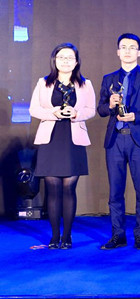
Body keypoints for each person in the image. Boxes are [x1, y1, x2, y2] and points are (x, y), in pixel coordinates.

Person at [96, 33, 140, 251]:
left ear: (139, 52)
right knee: (115, 191)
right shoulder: (109, 79)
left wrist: (137, 116)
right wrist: (110, 105)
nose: (127, 51)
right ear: (118, 52)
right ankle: (118, 235)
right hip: (115, 139)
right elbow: (100, 110)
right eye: (123, 47)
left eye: (132, 47)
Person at [29, 43, 96, 249]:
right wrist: (54, 113)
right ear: (54, 60)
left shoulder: (85, 84)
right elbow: (34, 109)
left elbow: (91, 109)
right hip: (50, 139)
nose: (65, 61)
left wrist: (76, 114)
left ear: (76, 62)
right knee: (53, 189)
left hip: (73, 139)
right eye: (61, 57)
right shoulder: (44, 83)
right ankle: (54, 236)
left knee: (69, 189)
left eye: (69, 58)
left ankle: (67, 236)